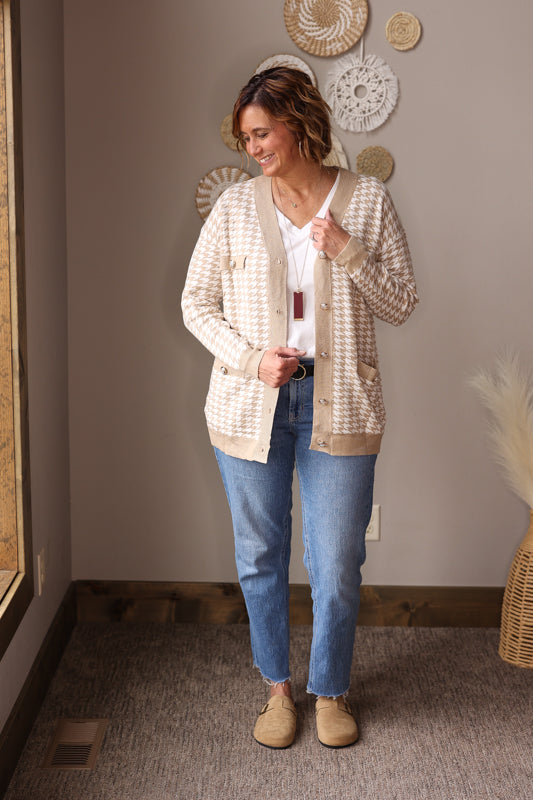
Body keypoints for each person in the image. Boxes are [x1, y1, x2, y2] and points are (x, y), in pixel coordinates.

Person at [181, 67, 418, 749]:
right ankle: (277, 689)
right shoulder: (234, 208)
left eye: (261, 132)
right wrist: (252, 358)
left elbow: (401, 303)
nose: (252, 147)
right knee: (259, 553)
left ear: (299, 122)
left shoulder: (366, 199)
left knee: (337, 560)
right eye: (245, 138)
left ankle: (330, 689)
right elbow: (194, 304)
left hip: (337, 401)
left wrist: (345, 250)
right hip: (250, 400)